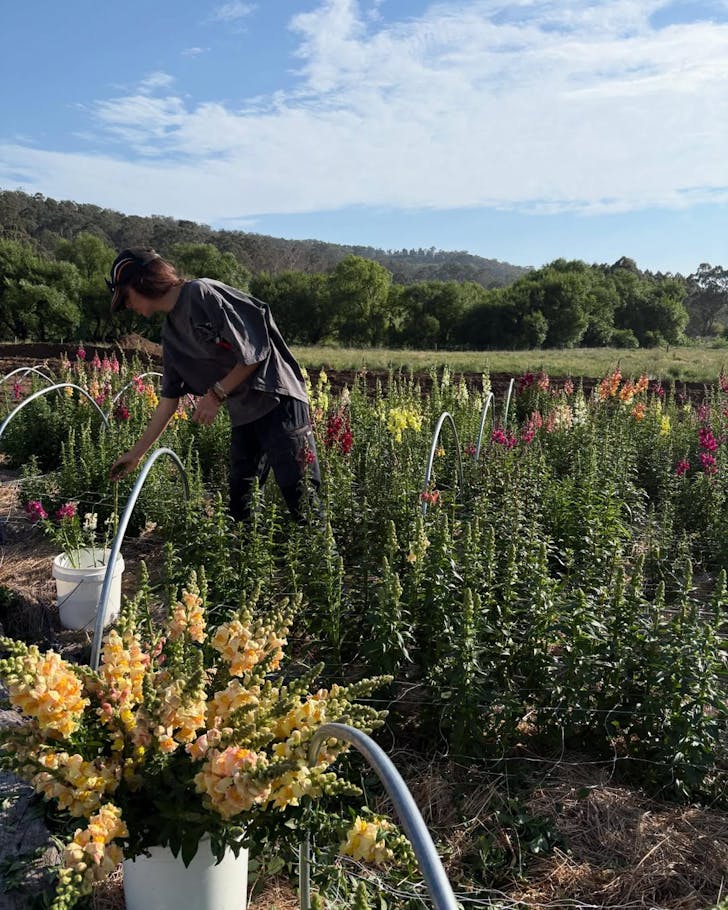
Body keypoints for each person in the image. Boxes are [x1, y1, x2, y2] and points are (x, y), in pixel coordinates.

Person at [107, 248, 322, 523]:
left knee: (301, 497)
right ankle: (246, 562)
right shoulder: (170, 334)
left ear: (142, 282)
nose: (127, 306)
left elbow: (254, 352)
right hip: (245, 413)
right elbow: (168, 401)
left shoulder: (201, 293)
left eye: (125, 297)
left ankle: (323, 564)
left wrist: (216, 394)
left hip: (277, 400)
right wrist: (136, 454)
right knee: (241, 505)